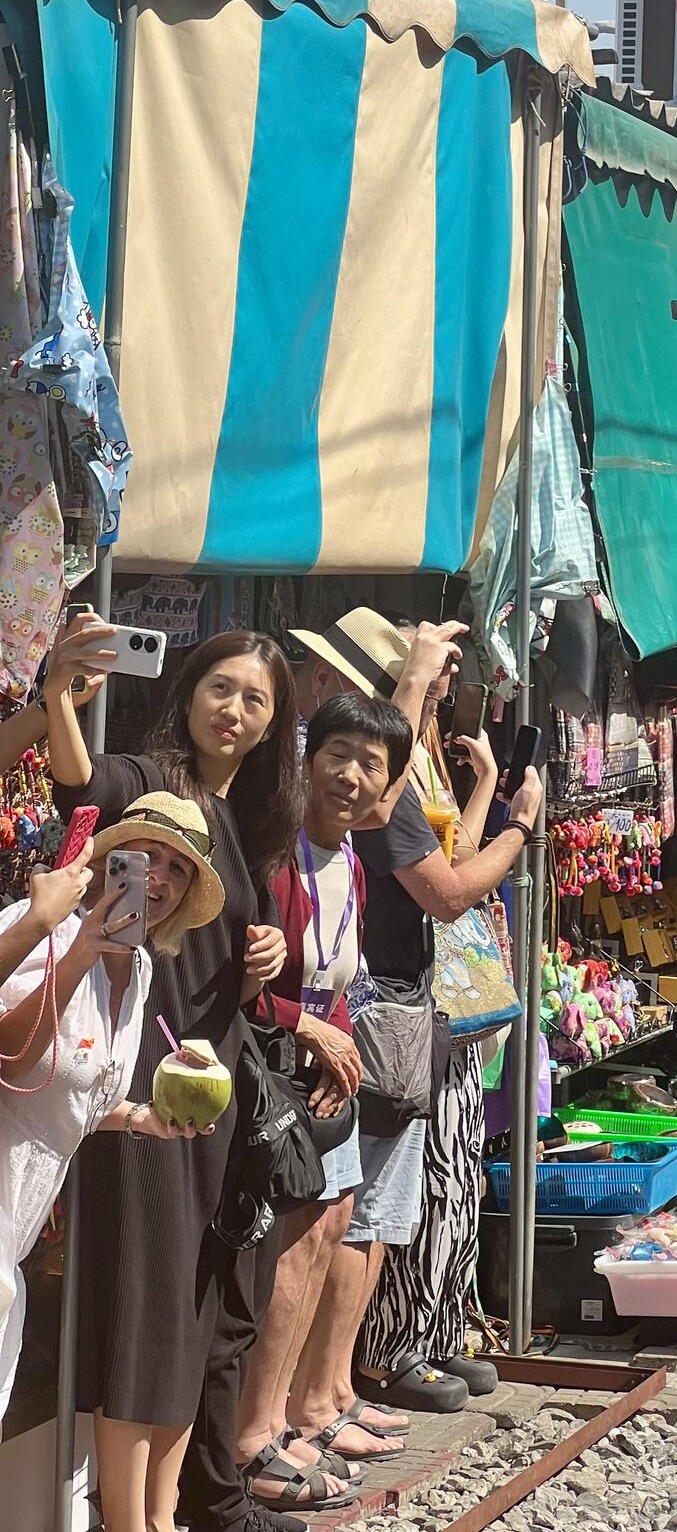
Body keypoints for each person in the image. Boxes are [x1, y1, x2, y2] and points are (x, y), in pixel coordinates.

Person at [45, 615, 300, 1532]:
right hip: (147, 1090)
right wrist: (56, 694)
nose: (234, 709)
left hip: (213, 1090)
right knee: (147, 1308)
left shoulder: (248, 820)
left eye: (255, 699)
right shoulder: (155, 783)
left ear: (274, 724)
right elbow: (81, 778)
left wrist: (265, 950)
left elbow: (233, 958)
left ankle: (160, 1516)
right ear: (188, 692)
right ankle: (127, 1520)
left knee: (190, 1314)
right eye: (221, 688)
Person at [284, 610, 538, 1439]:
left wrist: (485, 790)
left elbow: (446, 849)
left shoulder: (399, 764)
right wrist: (521, 828)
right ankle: (329, 1391)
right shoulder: (330, 774)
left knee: (380, 1210)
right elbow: (450, 887)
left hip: (388, 1004)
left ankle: (334, 1392)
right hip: (357, 1008)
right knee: (344, 1218)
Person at [235, 690, 412, 1516]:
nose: (349, 775)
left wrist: (335, 1047)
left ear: (389, 788)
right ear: (305, 760)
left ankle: (288, 1418)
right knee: (295, 1247)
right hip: (275, 1071)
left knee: (331, 1230)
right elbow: (237, 991)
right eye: (336, 754)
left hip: (319, 1078)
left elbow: (338, 979)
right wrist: (310, 1029)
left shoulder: (353, 865)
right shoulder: (279, 858)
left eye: (371, 765)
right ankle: (254, 1433)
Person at [0, 796, 225, 1424]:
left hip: (17, 1225)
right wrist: (80, 957)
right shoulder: (47, 928)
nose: (158, 878)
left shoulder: (144, 970)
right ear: (108, 865)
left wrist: (142, 1119)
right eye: (145, 856)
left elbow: (73, 1097)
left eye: (178, 869)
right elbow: (12, 1058)